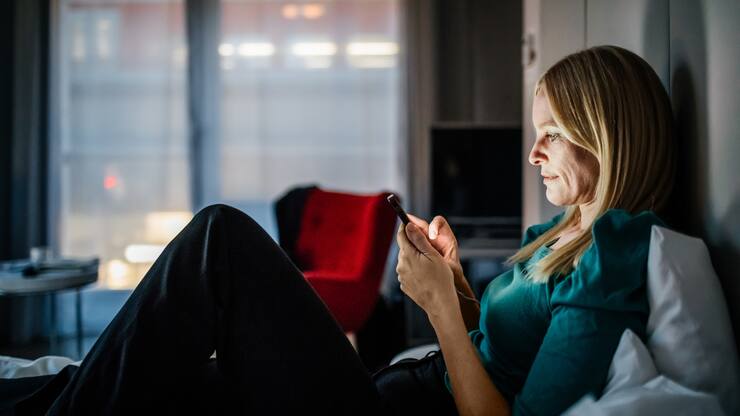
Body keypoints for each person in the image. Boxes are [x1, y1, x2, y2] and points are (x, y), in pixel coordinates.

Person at [1, 45, 674, 416]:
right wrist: (457, 290)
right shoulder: (566, 232)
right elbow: (502, 350)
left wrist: (439, 307)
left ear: (605, 136)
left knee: (221, 241)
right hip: (389, 388)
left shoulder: (612, 254)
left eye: (550, 136)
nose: (533, 156)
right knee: (163, 386)